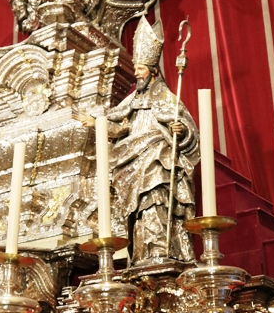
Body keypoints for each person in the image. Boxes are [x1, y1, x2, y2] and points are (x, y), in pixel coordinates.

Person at [80, 16, 199, 264]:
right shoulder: (132, 101)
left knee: (156, 198)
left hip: (157, 158)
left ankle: (162, 250)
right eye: (135, 68)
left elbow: (186, 128)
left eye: (140, 69)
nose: (136, 73)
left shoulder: (166, 98)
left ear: (153, 70)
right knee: (138, 209)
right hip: (133, 161)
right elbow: (120, 126)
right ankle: (142, 253)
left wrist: (180, 130)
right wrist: (97, 123)